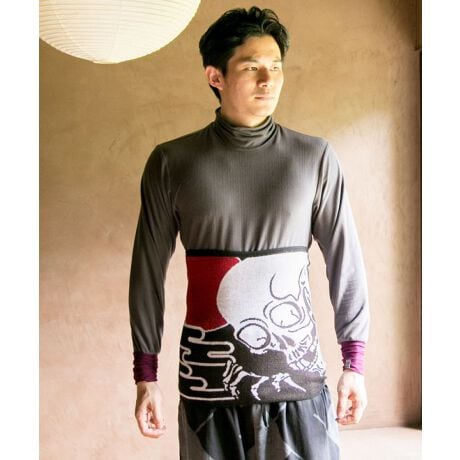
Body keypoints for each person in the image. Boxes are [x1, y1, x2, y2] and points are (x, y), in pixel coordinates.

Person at [129, 6, 370, 459]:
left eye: (276, 67)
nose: (268, 80)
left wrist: (354, 364)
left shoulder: (314, 158)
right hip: (208, 392)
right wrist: (146, 375)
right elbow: (147, 272)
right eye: (251, 67)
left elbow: (346, 263)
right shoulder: (172, 162)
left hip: (300, 389)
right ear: (215, 76)